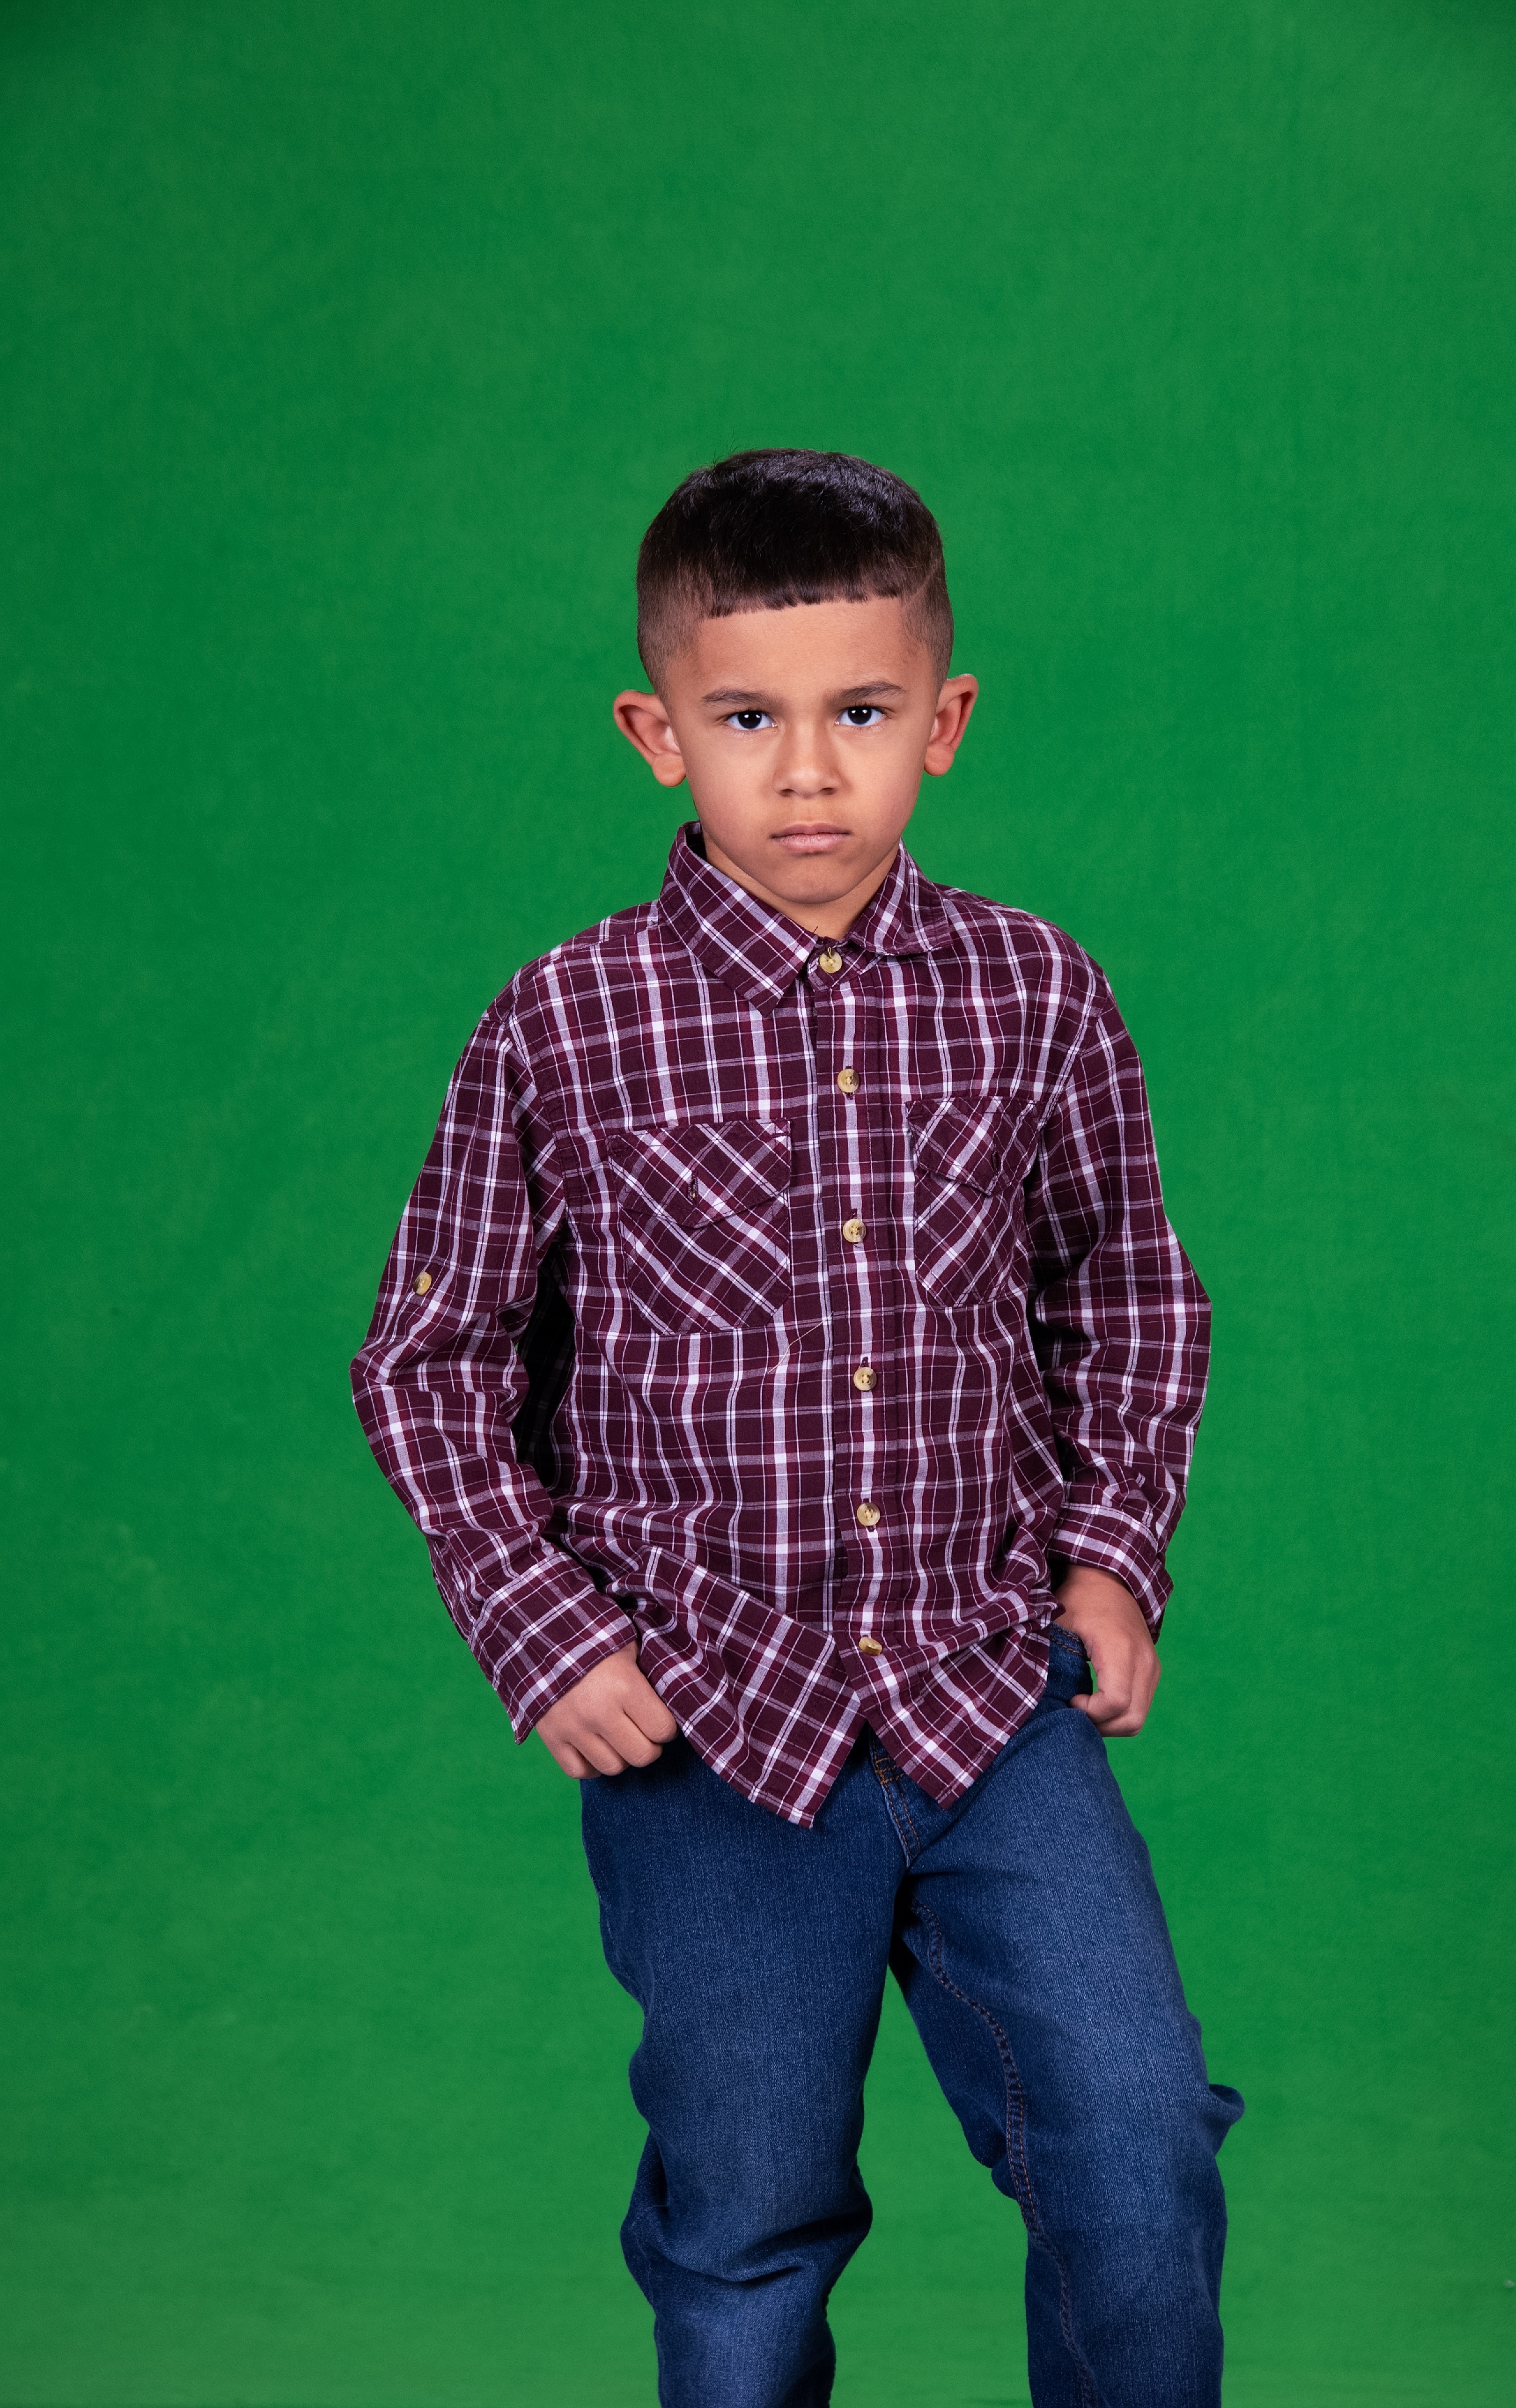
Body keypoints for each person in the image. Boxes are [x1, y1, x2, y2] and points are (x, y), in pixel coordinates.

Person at [352, 448, 1242, 2407]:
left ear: (947, 718)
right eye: (749, 720)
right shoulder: (564, 1023)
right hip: (711, 1726)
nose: (811, 773)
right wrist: (545, 1634)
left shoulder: (1036, 994)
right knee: (747, 2217)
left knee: (1135, 2139)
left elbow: (1127, 1293)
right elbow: (429, 1357)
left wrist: (1113, 1558)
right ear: (657, 733)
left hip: (986, 1696)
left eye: (862, 713)